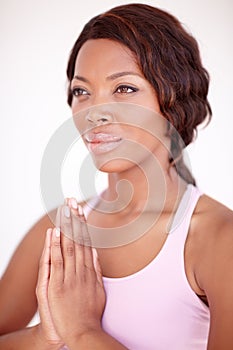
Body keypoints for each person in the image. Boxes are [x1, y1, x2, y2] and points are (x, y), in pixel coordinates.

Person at [0, 3, 233, 349]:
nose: (95, 112)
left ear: (172, 99)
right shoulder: (58, 234)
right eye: (82, 91)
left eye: (124, 88)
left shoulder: (218, 240)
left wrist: (82, 331)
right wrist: (45, 334)